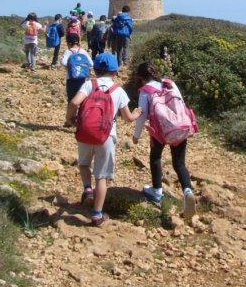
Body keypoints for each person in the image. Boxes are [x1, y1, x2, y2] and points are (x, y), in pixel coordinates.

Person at [65, 53, 141, 226]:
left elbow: (74, 103)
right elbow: (128, 118)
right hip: (106, 136)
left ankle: (87, 189)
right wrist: (136, 114)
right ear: (115, 72)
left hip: (85, 132)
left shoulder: (88, 84)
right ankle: (97, 215)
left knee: (84, 164)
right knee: (101, 177)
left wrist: (70, 118)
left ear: (95, 69)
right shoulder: (118, 90)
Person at [132, 61, 196, 220]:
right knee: (179, 163)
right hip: (178, 127)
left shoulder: (145, 91)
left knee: (155, 158)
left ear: (141, 78)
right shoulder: (169, 84)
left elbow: (142, 115)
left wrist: (136, 135)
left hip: (159, 131)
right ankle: (188, 191)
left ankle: (157, 191)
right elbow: (181, 104)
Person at [60, 33, 93, 102]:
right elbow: (91, 64)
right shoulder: (83, 51)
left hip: (71, 78)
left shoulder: (68, 52)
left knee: (71, 99)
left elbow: (63, 62)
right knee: (82, 100)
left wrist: (69, 67)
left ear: (68, 43)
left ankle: (72, 112)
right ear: (78, 42)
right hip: (83, 79)